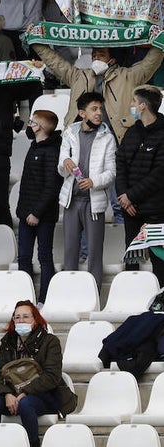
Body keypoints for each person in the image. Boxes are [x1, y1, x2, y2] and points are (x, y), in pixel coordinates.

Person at [0, 301, 77, 447]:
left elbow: (52, 376)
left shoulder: (50, 342)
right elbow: (1, 372)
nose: (21, 321)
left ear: (35, 320)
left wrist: (24, 392)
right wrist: (7, 394)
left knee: (25, 404)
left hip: (44, 395)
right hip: (13, 393)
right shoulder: (8, 342)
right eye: (17, 317)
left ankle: (33, 444)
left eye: (26, 317)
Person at [29, 43, 163, 144]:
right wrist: (36, 41)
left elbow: (150, 63)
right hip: (80, 141)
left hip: (117, 140)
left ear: (113, 60)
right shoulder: (78, 76)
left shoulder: (128, 76)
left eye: (101, 55)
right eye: (94, 56)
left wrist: (161, 38)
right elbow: (55, 62)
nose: (96, 59)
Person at [59, 92, 116, 287]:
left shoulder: (107, 137)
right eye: (94, 109)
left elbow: (111, 173)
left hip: (94, 202)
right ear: (82, 113)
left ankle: (94, 298)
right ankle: (69, 295)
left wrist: (93, 181)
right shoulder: (69, 133)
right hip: (71, 201)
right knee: (70, 253)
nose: (99, 113)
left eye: (100, 109)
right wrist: (64, 161)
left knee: (94, 254)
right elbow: (61, 165)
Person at [117, 86, 164, 280]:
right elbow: (120, 164)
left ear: (143, 106)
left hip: (155, 210)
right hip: (131, 209)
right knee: (131, 258)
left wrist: (131, 196)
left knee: (159, 260)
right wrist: (124, 198)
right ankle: (132, 298)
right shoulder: (131, 133)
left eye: (134, 102)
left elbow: (159, 175)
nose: (131, 106)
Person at [16, 111, 62, 304]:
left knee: (44, 256)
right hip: (26, 212)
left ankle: (45, 299)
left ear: (40, 127)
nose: (29, 124)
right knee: (24, 257)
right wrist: (25, 211)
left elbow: (52, 186)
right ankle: (25, 299)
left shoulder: (52, 151)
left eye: (32, 121)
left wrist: (36, 212)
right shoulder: (34, 146)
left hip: (43, 215)